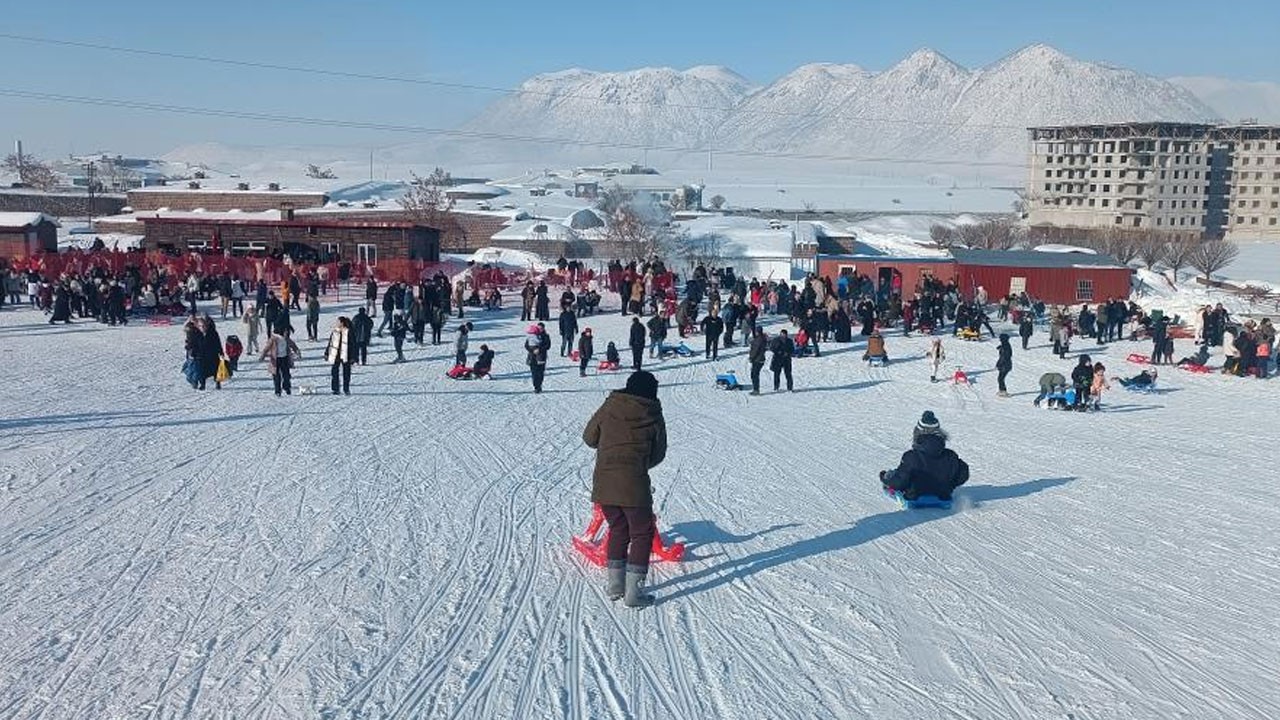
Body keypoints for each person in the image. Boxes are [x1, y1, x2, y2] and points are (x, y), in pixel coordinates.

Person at [582, 370, 667, 608]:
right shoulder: (653, 411)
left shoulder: (611, 405)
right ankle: (633, 593)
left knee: (618, 528)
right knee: (641, 533)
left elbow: (589, 438)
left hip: (604, 482)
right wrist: (637, 464)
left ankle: (615, 586)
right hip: (634, 483)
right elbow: (658, 454)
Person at [880, 412, 970, 501]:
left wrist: (885, 479)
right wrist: (950, 485)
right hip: (943, 496)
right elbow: (963, 474)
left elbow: (899, 483)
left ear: (917, 433)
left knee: (896, 475)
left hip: (914, 497)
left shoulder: (911, 457)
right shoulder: (951, 456)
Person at [260, 326, 300, 396]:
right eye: (285, 331)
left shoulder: (286, 339)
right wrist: (262, 356)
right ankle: (278, 390)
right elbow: (267, 348)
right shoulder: (273, 339)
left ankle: (286, 387)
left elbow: (293, 345)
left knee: (286, 375)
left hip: (284, 359)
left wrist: (297, 351)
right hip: (275, 360)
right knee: (276, 376)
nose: (287, 333)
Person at [325, 316, 355, 395]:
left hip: (346, 355)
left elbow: (353, 345)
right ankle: (335, 389)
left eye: (338, 322)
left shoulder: (349, 332)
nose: (337, 323)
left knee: (346, 373)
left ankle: (346, 389)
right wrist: (327, 353)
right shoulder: (335, 331)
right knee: (334, 372)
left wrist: (353, 357)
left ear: (342, 323)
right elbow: (330, 343)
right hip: (336, 354)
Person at [196, 315, 225, 390]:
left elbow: (218, 343)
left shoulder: (213, 333)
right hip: (202, 355)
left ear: (207, 325)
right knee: (202, 370)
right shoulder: (197, 334)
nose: (202, 328)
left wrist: (221, 353)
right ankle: (202, 384)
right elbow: (194, 344)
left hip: (213, 354)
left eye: (204, 326)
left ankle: (217, 383)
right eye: (200, 326)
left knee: (215, 370)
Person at [526, 324, 550, 392]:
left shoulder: (545, 336)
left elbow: (548, 346)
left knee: (540, 373)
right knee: (534, 373)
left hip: (541, 357)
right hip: (532, 357)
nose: (539, 330)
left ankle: (539, 385)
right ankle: (536, 386)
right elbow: (527, 345)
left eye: (541, 328)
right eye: (538, 328)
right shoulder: (531, 336)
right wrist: (533, 350)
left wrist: (539, 349)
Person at [748, 326, 768, 395]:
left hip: (757, 359)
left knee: (754, 375)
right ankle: (755, 389)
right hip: (760, 359)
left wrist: (751, 357)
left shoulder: (758, 339)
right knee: (754, 374)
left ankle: (756, 389)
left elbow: (755, 350)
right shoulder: (762, 338)